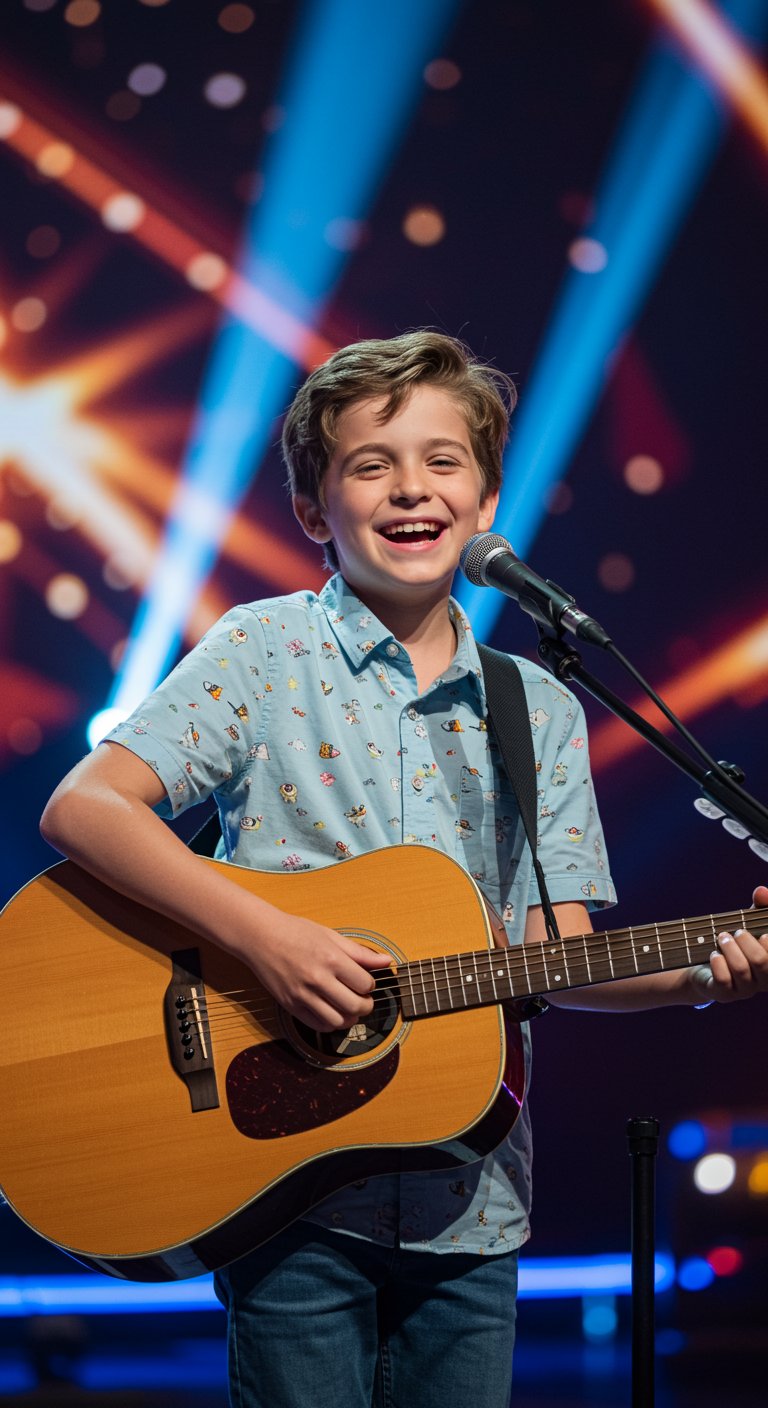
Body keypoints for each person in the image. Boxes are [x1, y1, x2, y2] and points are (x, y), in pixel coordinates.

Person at [41, 330, 768, 1408]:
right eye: (371, 465)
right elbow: (85, 806)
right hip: (286, 1189)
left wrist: (707, 971)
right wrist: (270, 942)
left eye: (442, 460)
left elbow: (554, 958)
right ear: (313, 509)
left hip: (471, 1199)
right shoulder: (265, 651)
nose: (411, 487)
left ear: (486, 502)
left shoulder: (540, 707)